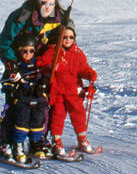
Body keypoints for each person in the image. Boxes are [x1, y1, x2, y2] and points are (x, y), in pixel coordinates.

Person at [36, 24, 98, 157]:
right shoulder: (53, 50)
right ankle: (56, 140)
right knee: (58, 115)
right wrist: (48, 68)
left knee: (78, 114)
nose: (68, 39)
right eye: (64, 37)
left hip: (73, 90)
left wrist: (90, 74)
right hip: (57, 90)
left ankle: (82, 138)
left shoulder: (77, 52)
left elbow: (82, 68)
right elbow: (40, 63)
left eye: (71, 37)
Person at [0, 32, 50, 165]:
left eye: (31, 51)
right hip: (22, 99)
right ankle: (18, 145)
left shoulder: (37, 64)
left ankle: (35, 142)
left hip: (37, 98)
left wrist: (43, 82)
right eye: (24, 51)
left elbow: (44, 75)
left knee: (38, 120)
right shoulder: (16, 65)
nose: (28, 54)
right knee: (21, 121)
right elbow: (6, 81)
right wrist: (11, 82)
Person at [0, 0, 69, 65]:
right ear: (38, 2)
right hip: (20, 61)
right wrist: (11, 62)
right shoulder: (23, 15)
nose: (47, 7)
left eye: (51, 3)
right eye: (43, 3)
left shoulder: (59, 19)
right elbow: (5, 41)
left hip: (44, 62)